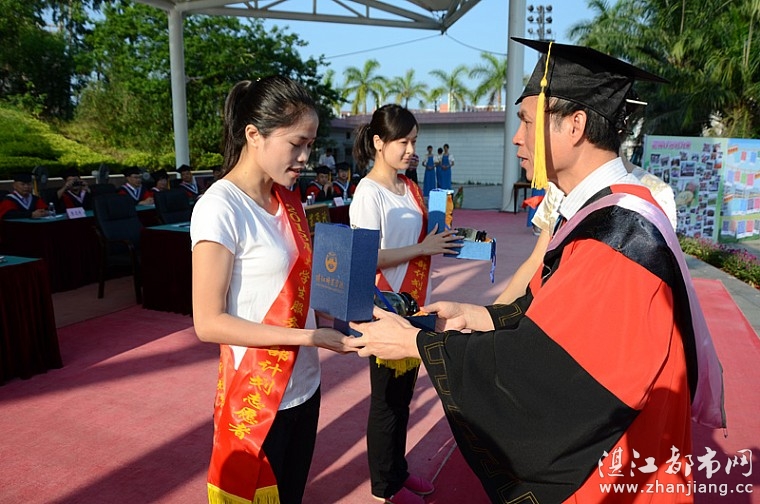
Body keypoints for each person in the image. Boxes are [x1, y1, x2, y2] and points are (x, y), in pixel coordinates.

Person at [348, 39, 725, 503]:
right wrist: (478, 317)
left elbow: (545, 372)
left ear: (575, 125)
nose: (516, 137)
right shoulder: (596, 212)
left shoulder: (623, 235)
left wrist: (418, 344)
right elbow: (556, 317)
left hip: (611, 476)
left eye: (527, 120)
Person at [190, 75, 355, 504]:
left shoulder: (288, 201)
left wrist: (341, 317)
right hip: (259, 396)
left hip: (305, 384)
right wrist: (309, 337)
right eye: (296, 143)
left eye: (311, 145)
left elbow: (300, 286)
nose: (305, 157)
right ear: (253, 135)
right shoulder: (220, 208)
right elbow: (208, 323)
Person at [349, 104, 462, 504]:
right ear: (379, 143)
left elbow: (425, 239)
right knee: (386, 402)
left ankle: (397, 470)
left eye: (414, 141)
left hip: (414, 305)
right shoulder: (368, 193)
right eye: (403, 142)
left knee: (402, 398)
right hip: (385, 307)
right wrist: (422, 248)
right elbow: (366, 258)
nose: (411, 149)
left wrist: (446, 241)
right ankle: (384, 488)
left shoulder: (409, 187)